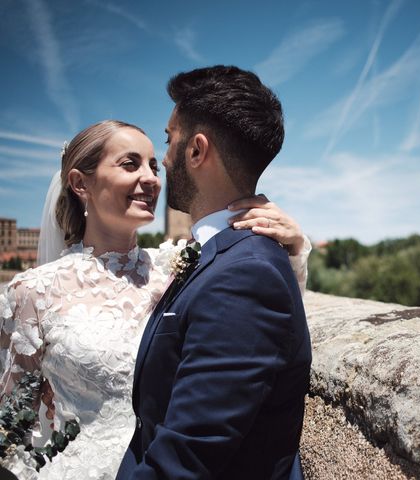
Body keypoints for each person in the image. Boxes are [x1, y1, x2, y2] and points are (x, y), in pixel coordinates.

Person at [0, 119, 311, 479]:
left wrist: (292, 246)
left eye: (152, 164)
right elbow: (11, 426)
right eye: (130, 164)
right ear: (79, 183)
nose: (151, 178)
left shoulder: (182, 269)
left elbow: (261, 329)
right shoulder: (32, 292)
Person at [116, 66, 311, 479]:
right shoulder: (225, 256)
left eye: (170, 141)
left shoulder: (245, 275)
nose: (163, 161)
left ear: (197, 150)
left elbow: (183, 464)